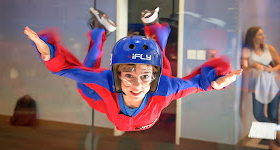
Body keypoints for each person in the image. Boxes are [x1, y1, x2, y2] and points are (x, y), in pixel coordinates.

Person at [24, 7, 242, 131]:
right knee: (85, 83)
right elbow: (67, 68)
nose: (137, 84)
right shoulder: (106, 80)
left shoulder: (163, 87)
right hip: (106, 103)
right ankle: (117, 30)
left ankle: (105, 31)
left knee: (162, 68)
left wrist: (214, 82)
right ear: (117, 74)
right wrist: (49, 53)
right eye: (128, 75)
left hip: (117, 105)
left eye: (144, 76)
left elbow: (197, 84)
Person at [241, 26, 280, 124]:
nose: (263, 36)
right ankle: (273, 132)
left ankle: (271, 137)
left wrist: (273, 69)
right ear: (253, 37)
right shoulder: (247, 50)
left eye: (262, 34)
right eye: (260, 34)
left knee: (273, 114)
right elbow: (244, 68)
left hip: (273, 84)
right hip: (257, 85)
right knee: (258, 114)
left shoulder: (269, 48)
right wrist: (254, 65)